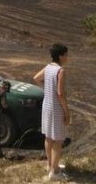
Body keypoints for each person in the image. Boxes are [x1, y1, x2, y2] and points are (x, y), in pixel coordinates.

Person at [34, 44, 70, 182]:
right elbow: (61, 94)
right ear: (61, 56)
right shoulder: (60, 71)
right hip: (56, 108)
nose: (67, 57)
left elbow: (36, 78)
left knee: (48, 137)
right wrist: (67, 112)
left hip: (46, 106)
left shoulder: (48, 67)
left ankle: (50, 165)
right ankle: (54, 172)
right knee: (58, 140)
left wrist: (47, 89)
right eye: (66, 55)